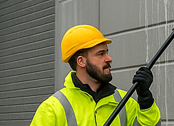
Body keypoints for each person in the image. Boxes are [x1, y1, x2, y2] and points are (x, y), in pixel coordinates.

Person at [30, 25, 161, 126]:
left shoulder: (125, 102)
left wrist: (145, 100)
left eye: (107, 52)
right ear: (81, 61)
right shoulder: (53, 108)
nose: (109, 58)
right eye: (101, 54)